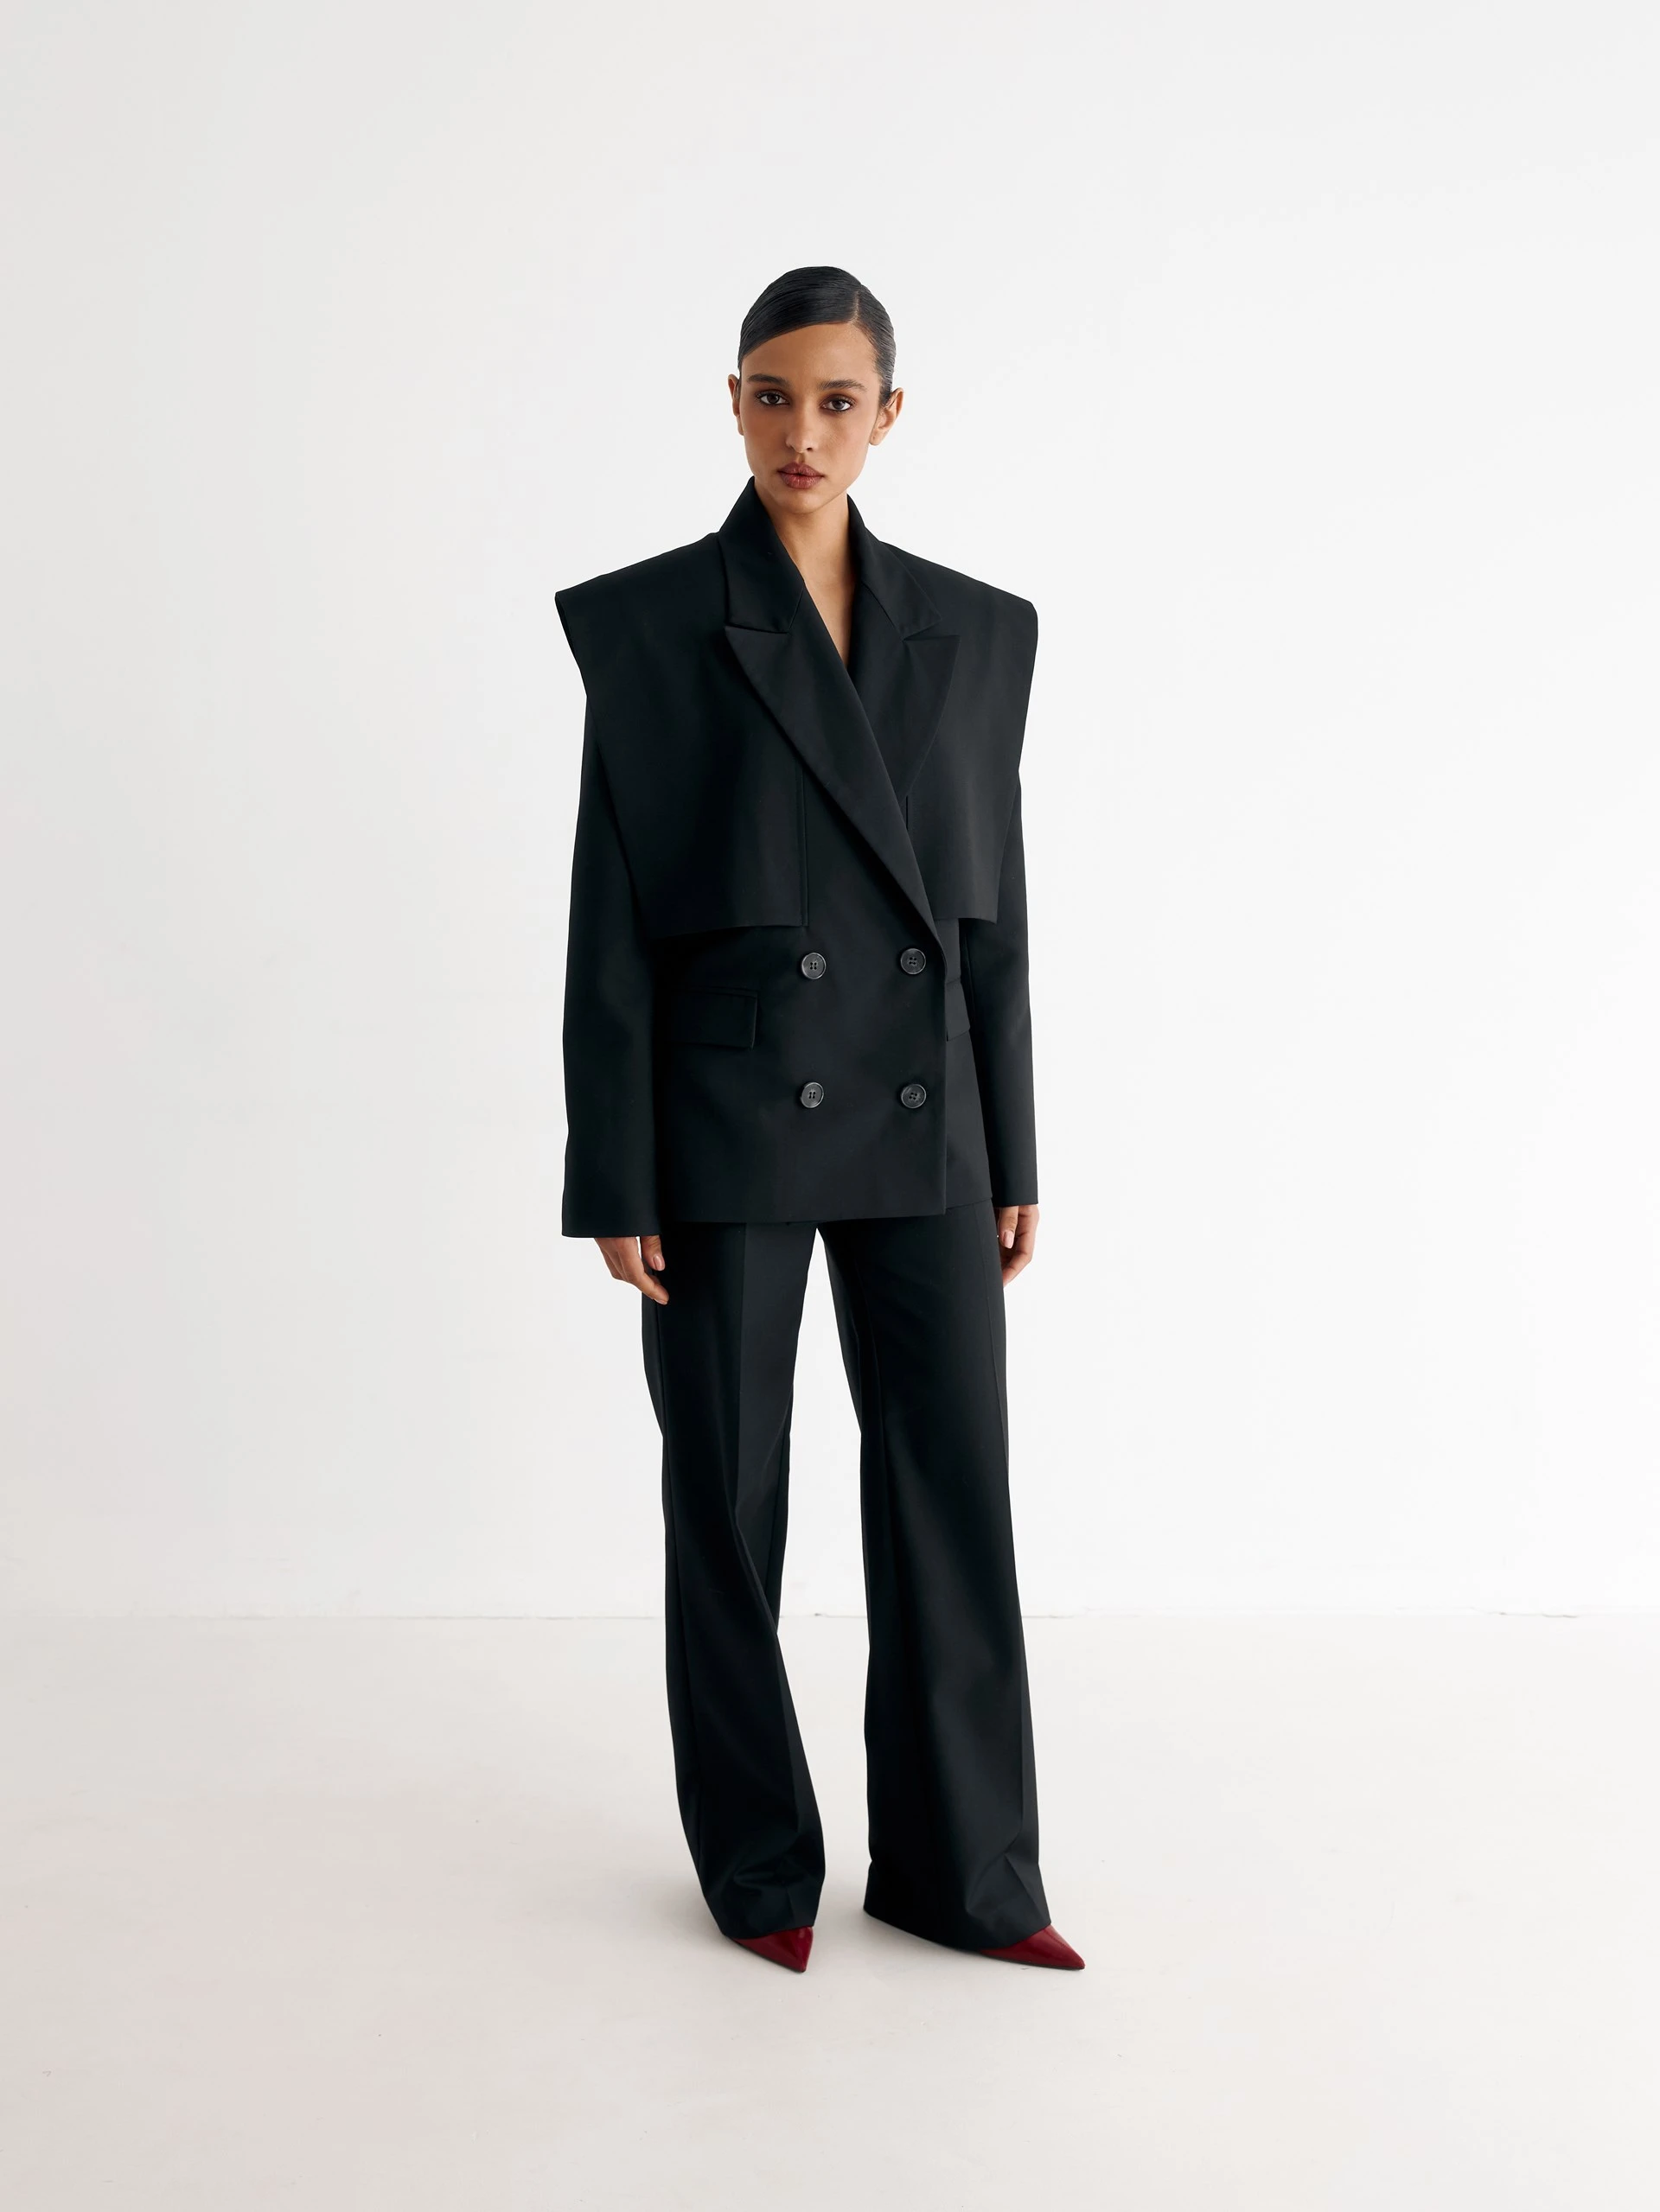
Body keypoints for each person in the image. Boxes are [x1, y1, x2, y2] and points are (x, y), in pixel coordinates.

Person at [554, 266, 1082, 1974]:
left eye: (838, 400)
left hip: (931, 1115)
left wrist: (1013, 1146)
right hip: (723, 1115)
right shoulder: (650, 624)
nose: (803, 431)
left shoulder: (979, 632)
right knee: (728, 1497)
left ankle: (967, 1875)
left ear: (889, 415)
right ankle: (759, 1863)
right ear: (733, 402)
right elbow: (612, 917)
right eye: (773, 395)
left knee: (953, 1487)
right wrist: (614, 1166)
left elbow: (991, 914)